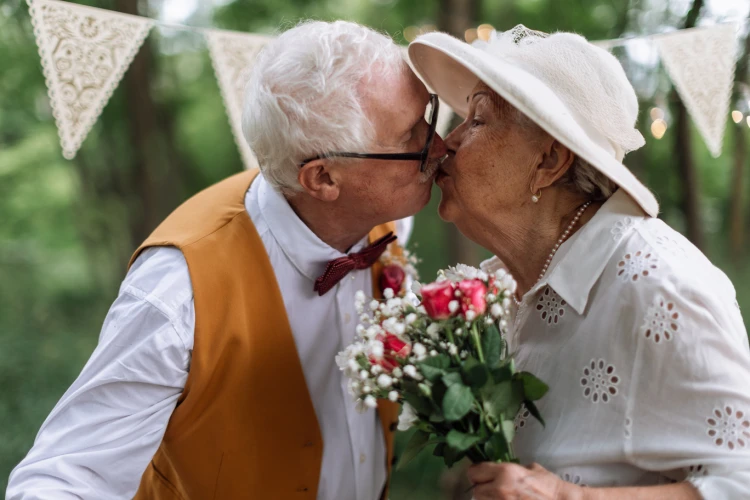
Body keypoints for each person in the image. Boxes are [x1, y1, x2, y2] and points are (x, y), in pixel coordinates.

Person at [7, 20, 447, 499]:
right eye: (411, 137)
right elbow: (58, 481)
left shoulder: (389, 219)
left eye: (429, 117)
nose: (439, 146)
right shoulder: (177, 294)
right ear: (322, 179)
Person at [407, 25, 750, 499]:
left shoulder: (662, 288)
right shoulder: (499, 287)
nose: (446, 142)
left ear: (548, 161)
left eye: (478, 120)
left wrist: (571, 496)